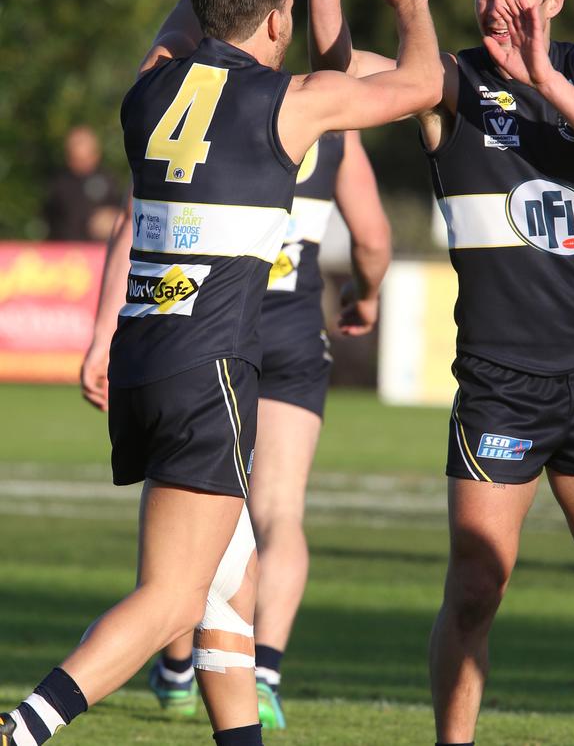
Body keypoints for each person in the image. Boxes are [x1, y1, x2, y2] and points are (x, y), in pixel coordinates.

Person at [0, 0, 442, 745]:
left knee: (219, 581)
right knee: (172, 592)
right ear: (278, 21)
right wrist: (412, 1)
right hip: (211, 373)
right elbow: (421, 84)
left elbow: (190, 19)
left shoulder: (150, 91)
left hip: (143, 358)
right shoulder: (285, 102)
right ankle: (23, 727)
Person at [305, 0, 574, 746]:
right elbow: (343, 72)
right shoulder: (448, 81)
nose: (499, 6)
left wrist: (547, 81)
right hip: (501, 386)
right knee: (474, 589)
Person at [81, 128, 391, 727]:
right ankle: (264, 675)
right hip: (290, 334)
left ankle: (175, 669)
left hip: (207, 329)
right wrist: (367, 295)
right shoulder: (332, 123)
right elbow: (374, 237)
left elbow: (134, 222)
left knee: (189, 502)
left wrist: (100, 336)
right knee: (279, 514)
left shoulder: (203, 102)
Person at [43, 125, 122, 241]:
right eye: (76, 159)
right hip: (67, 251)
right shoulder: (59, 184)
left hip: (98, 251)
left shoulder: (109, 180)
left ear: (96, 155)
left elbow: (123, 213)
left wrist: (111, 219)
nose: (82, 165)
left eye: (86, 159)